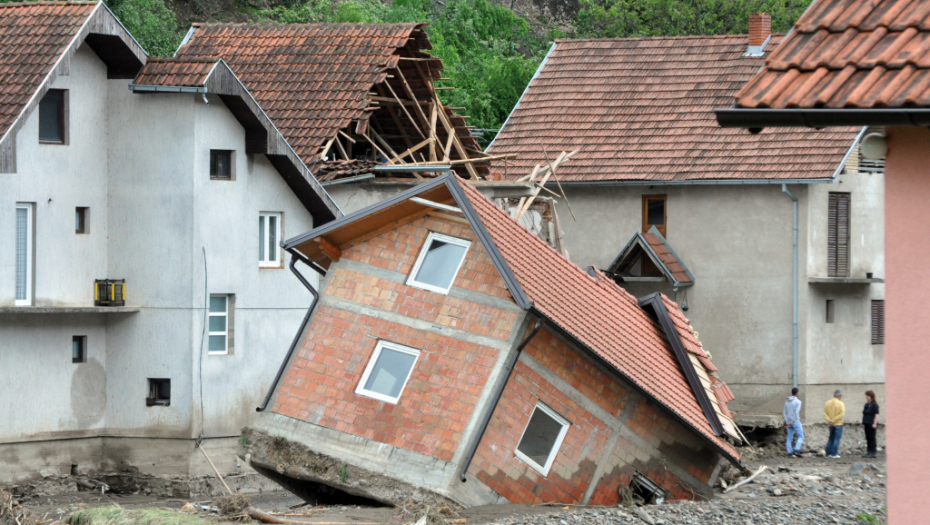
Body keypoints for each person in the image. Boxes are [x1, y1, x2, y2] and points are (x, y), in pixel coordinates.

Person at [824, 390, 845, 458]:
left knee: (831, 438)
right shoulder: (841, 403)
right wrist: (833, 420)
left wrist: (829, 420)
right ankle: (834, 454)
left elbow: (825, 413)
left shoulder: (827, 403)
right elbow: (841, 414)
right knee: (836, 439)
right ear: (839, 395)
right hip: (838, 424)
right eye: (841, 395)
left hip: (830, 424)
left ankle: (828, 453)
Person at [783, 387, 804, 457]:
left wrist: (788, 422)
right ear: (797, 393)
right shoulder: (798, 402)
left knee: (789, 437)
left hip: (789, 422)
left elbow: (784, 413)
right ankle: (797, 449)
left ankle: (789, 453)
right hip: (795, 421)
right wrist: (792, 421)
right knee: (801, 436)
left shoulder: (787, 402)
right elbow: (796, 413)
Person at [861, 391, 880, 458]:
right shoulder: (866, 405)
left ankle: (873, 452)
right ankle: (869, 451)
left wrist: (874, 423)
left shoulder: (875, 405)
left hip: (871, 423)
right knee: (868, 437)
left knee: (872, 437)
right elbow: (864, 414)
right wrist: (862, 423)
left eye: (867, 396)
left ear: (870, 396)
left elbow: (876, 414)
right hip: (866, 423)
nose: (866, 397)